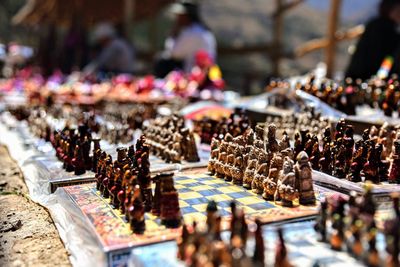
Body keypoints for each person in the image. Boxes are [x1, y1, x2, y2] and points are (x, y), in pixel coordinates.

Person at [155, 1, 216, 77]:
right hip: (204, 73)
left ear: (187, 16)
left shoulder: (192, 32)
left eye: (180, 15)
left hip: (195, 76)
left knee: (162, 61)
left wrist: (173, 34)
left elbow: (174, 53)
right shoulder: (201, 30)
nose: (177, 18)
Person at [346, 0, 400, 80]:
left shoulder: (374, 24)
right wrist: (382, 78)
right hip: (370, 76)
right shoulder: (387, 29)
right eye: (398, 10)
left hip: (356, 75)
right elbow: (388, 58)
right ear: (390, 10)